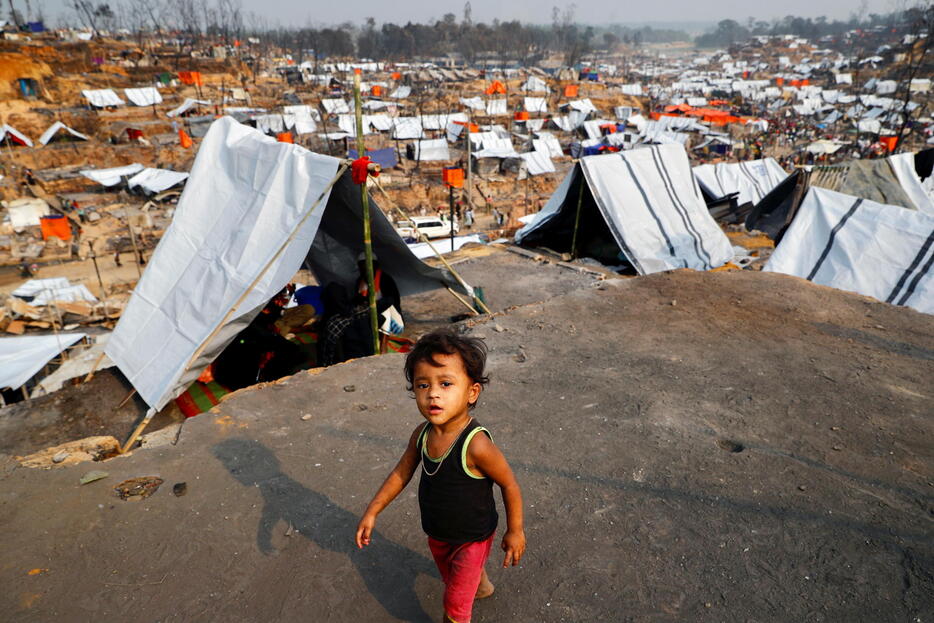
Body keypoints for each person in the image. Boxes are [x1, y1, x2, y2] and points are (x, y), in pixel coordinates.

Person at [356, 329, 526, 623]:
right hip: (438, 532)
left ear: (472, 392)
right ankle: (481, 587)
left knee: (455, 606)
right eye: (423, 385)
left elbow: (509, 483)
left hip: (473, 537)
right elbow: (401, 473)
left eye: (446, 384)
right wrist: (373, 511)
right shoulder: (421, 436)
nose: (433, 393)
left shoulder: (476, 444)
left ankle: (464, 600)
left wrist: (516, 530)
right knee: (453, 576)